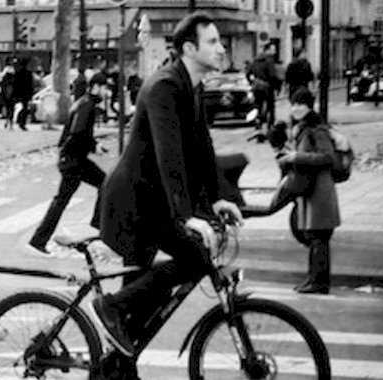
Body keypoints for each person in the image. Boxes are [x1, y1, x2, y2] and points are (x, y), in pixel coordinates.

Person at [88, 13, 243, 376]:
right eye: (213, 42)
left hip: (153, 202)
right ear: (190, 48)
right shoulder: (164, 86)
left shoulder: (191, 85)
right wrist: (186, 214)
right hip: (134, 203)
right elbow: (168, 154)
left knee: (153, 293)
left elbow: (202, 148)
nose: (221, 49)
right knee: (187, 262)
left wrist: (220, 198)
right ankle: (108, 307)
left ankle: (116, 368)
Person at [27, 73, 108, 255]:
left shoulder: (84, 103)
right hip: (73, 161)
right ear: (95, 87)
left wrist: (94, 145)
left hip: (73, 159)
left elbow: (78, 134)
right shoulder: (86, 105)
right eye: (104, 88)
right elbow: (77, 133)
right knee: (65, 199)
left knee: (101, 185)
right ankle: (39, 241)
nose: (106, 92)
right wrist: (92, 146)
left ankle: (38, 241)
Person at [280, 87, 341, 294]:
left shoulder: (317, 128)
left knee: (319, 237)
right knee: (313, 235)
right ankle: (312, 279)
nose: (296, 108)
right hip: (310, 188)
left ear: (309, 106)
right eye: (294, 104)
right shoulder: (303, 127)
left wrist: (296, 157)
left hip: (320, 190)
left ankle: (320, 282)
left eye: (301, 104)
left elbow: (327, 157)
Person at [249, 43, 281, 132]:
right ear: (267, 50)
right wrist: (277, 87)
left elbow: (248, 73)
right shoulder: (269, 61)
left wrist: (252, 82)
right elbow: (272, 75)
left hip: (257, 87)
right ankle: (270, 126)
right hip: (268, 87)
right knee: (270, 107)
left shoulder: (255, 61)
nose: (274, 51)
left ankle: (258, 124)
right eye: (272, 49)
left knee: (258, 106)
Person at [11, 58, 36, 131]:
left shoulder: (17, 73)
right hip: (25, 94)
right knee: (24, 108)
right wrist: (31, 94)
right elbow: (30, 85)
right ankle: (22, 123)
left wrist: (14, 93)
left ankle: (14, 121)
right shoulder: (28, 73)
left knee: (15, 108)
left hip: (18, 93)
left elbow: (15, 84)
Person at [0, 63, 16, 129]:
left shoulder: (4, 79)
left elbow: (2, 88)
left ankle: (7, 121)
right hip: (12, 96)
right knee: (11, 109)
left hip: (6, 96)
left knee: (7, 109)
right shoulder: (14, 79)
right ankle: (10, 123)